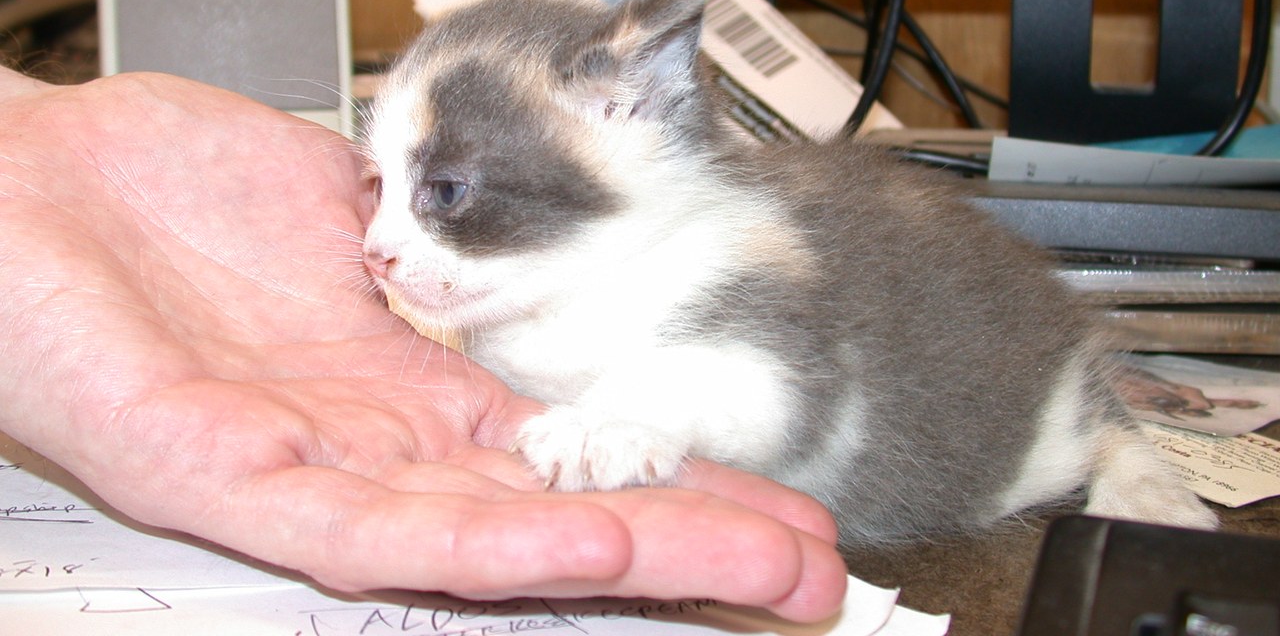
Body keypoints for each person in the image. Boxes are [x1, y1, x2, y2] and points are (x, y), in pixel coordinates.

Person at [0, 65, 846, 622]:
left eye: (440, 190)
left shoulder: (715, 265)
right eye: (377, 183)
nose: (375, 244)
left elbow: (767, 389)